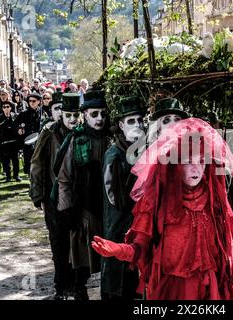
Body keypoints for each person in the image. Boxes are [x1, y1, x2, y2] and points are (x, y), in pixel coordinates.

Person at [92, 118, 233, 300]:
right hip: (173, 290)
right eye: (188, 162)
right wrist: (118, 250)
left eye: (201, 161)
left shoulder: (215, 200)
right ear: (175, 166)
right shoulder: (158, 201)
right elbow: (140, 248)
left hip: (210, 290)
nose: (196, 169)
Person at [55, 90, 110, 300]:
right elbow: (64, 178)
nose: (99, 119)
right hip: (83, 211)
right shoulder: (76, 140)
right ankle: (80, 291)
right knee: (83, 259)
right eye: (94, 114)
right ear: (85, 114)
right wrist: (66, 208)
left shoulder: (112, 139)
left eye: (103, 114)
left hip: (108, 209)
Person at [30, 93, 82, 300]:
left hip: (77, 198)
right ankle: (61, 285)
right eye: (68, 115)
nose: (72, 119)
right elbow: (37, 164)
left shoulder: (83, 134)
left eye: (76, 115)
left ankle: (78, 285)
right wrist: (38, 195)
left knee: (77, 242)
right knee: (58, 242)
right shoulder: (49, 133)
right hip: (53, 198)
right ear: (61, 115)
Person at [101, 95, 147, 300]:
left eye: (139, 120)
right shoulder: (114, 155)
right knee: (119, 279)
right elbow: (115, 198)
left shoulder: (142, 149)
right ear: (121, 125)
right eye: (131, 121)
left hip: (140, 226)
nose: (137, 125)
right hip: (120, 225)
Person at [15, 93, 42, 174]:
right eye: (30, 101)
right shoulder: (23, 113)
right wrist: (18, 129)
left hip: (39, 139)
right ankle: (31, 177)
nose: (31, 103)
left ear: (38, 102)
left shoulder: (42, 112)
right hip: (27, 140)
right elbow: (15, 124)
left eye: (34, 101)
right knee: (29, 160)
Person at [0, 101, 21, 182]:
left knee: (15, 160)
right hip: (4, 142)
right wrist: (4, 122)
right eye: (4, 107)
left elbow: (18, 126)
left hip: (14, 141)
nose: (6, 108)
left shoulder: (15, 116)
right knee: (6, 161)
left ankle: (16, 175)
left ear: (10, 107)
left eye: (8, 107)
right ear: (2, 109)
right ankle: (8, 176)